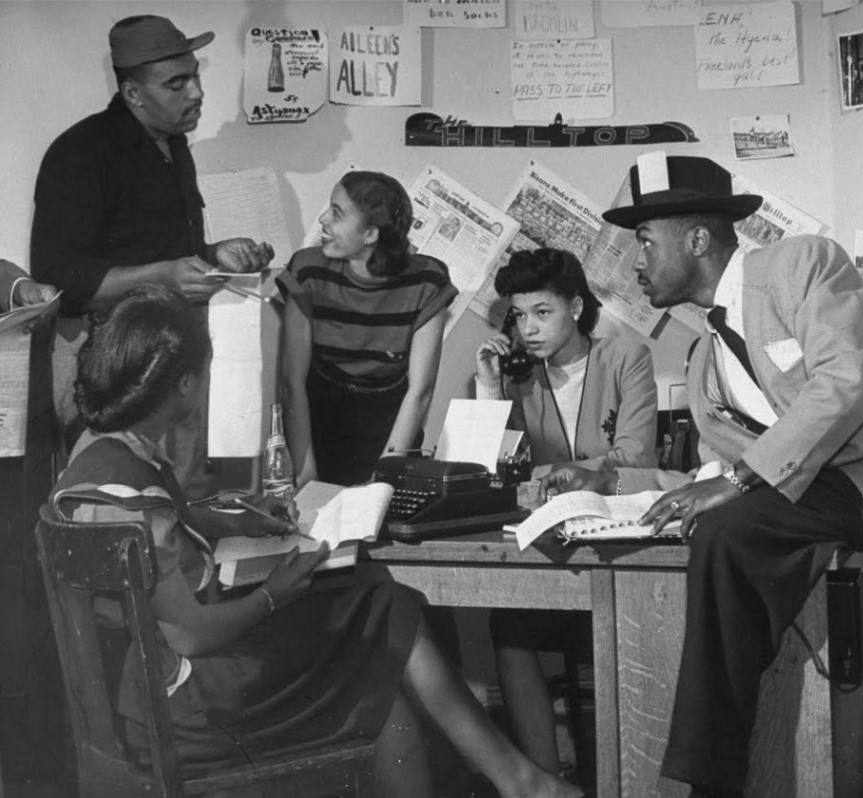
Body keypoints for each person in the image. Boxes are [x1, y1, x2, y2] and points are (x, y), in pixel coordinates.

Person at [543, 154, 863, 798]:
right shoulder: (705, 364)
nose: (633, 262)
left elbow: (846, 383)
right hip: (830, 490)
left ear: (697, 239)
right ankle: (711, 772)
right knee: (725, 534)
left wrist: (740, 478)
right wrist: (606, 485)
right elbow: (716, 474)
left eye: (643, 241)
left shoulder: (800, 264)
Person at [48, 284, 582, 798]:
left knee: (380, 648)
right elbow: (192, 635)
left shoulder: (99, 455)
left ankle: (517, 780)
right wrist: (276, 591)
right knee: (381, 605)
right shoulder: (134, 486)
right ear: (184, 384)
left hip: (136, 695)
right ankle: (518, 780)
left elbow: (161, 527)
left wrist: (232, 522)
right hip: (188, 704)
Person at [30, 15, 274, 475]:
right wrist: (164, 277)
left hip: (166, 361)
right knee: (115, 502)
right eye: (177, 83)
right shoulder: (78, 153)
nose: (196, 92)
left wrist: (213, 254)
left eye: (195, 77)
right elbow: (57, 280)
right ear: (133, 94)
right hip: (108, 368)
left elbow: (157, 249)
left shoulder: (172, 146)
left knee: (170, 505)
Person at [475, 247, 658, 775]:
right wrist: (490, 386)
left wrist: (559, 472)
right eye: (519, 315)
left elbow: (637, 458)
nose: (528, 328)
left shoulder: (625, 358)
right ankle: (544, 778)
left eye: (542, 312)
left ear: (576, 307)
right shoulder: (520, 377)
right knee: (507, 626)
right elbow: (496, 472)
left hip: (617, 543)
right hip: (552, 547)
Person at [277, 171, 457, 487]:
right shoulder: (307, 271)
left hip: (391, 429)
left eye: (337, 213)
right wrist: (306, 475)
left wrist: (383, 481)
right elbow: (293, 381)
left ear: (370, 234)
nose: (323, 219)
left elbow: (420, 391)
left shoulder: (427, 281)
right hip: (318, 426)